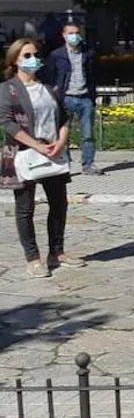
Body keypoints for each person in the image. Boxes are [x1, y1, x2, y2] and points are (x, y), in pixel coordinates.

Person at [1, 39, 80, 279]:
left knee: (59, 204)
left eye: (35, 54)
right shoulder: (7, 89)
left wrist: (61, 141)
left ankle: (57, 251)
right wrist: (37, 145)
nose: (33, 59)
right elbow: (7, 123)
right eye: (26, 55)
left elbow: (64, 117)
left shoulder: (48, 88)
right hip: (23, 154)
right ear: (14, 60)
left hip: (53, 152)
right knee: (25, 208)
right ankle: (32, 258)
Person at [47, 23, 100, 175]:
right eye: (70, 33)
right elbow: (50, 74)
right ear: (64, 35)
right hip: (66, 98)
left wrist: (93, 95)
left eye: (76, 33)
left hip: (85, 98)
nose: (74, 36)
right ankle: (66, 166)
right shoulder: (57, 55)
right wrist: (55, 92)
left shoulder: (88, 53)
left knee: (88, 134)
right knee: (64, 135)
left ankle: (88, 165)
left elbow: (93, 74)